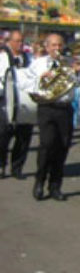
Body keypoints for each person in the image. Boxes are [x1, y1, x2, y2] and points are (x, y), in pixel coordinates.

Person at [20, 33, 80, 201]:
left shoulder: (69, 62)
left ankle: (55, 185)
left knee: (62, 146)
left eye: (59, 45)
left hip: (65, 108)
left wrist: (79, 72)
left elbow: (79, 85)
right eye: (53, 45)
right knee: (47, 145)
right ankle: (40, 181)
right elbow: (25, 83)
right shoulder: (39, 63)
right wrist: (42, 77)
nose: (57, 49)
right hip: (47, 107)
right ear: (46, 47)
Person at [0, 30, 33, 179]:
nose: (19, 44)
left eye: (21, 41)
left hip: (24, 103)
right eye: (16, 41)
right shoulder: (2, 58)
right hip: (5, 101)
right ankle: (1, 165)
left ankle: (17, 168)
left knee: (23, 138)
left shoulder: (29, 58)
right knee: (3, 137)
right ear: (10, 42)